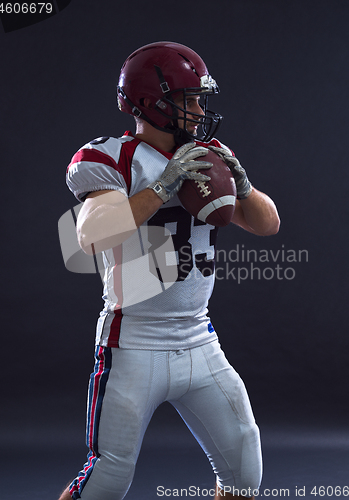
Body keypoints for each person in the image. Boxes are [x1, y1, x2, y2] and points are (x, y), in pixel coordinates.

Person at [58, 41, 280, 500]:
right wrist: (163, 186)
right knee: (105, 480)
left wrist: (244, 185)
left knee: (244, 471)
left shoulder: (208, 153)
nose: (200, 111)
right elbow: (91, 236)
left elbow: (267, 224)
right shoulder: (112, 157)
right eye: (189, 100)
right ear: (151, 104)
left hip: (198, 339)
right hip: (133, 341)